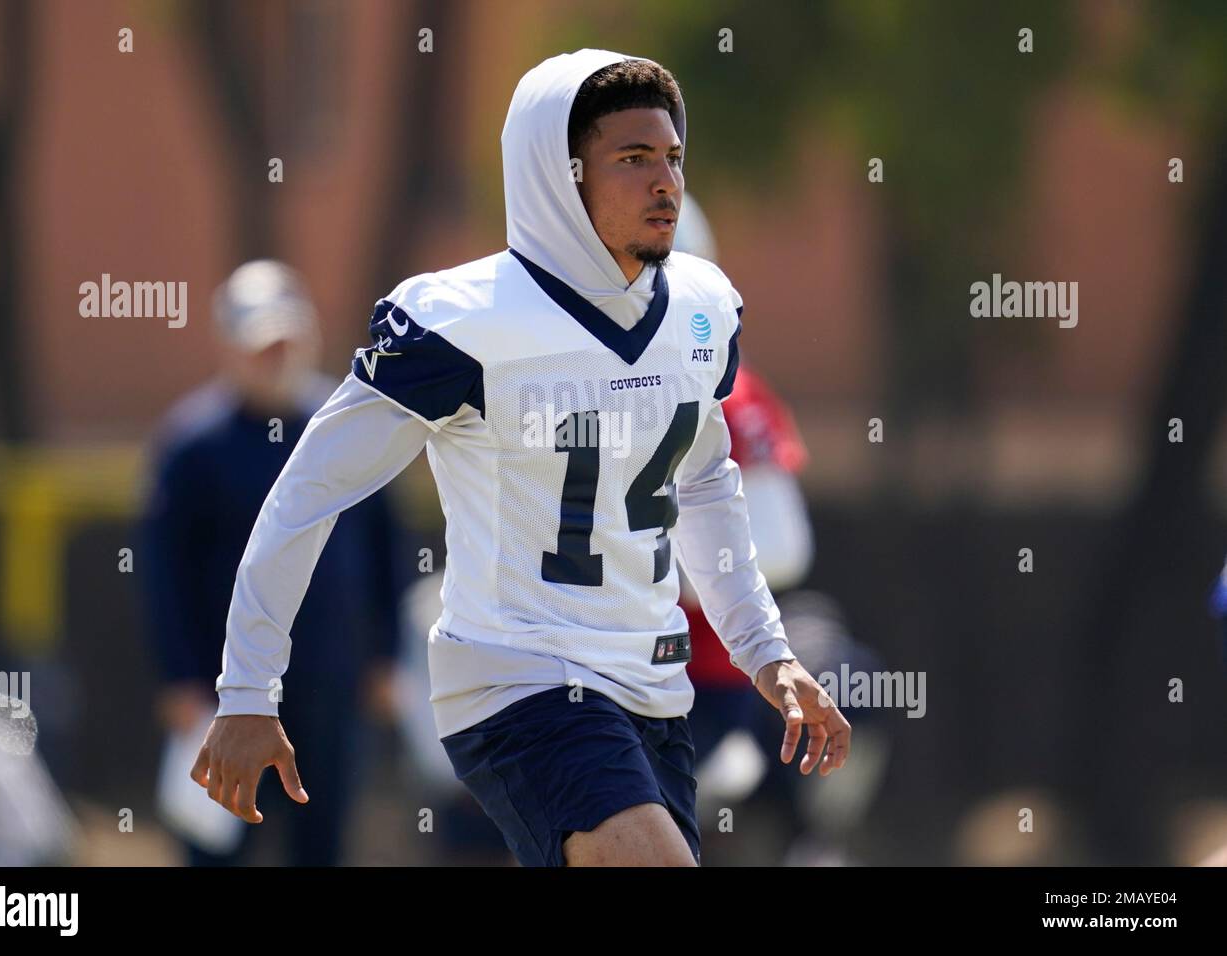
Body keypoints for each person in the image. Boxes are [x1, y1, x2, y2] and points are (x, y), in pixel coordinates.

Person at [194, 50, 851, 867]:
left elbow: (706, 481)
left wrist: (768, 653)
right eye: (634, 158)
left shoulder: (700, 307)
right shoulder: (465, 322)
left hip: (653, 691)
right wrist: (249, 689)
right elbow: (308, 493)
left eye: (673, 157)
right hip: (520, 684)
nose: (666, 183)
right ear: (559, 174)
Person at [141, 260, 401, 866]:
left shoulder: (344, 428)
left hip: (329, 682)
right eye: (261, 344)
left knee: (322, 844)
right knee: (216, 847)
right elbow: (163, 575)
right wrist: (179, 680)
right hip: (223, 694)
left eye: (286, 340)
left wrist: (385, 656)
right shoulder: (191, 448)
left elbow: (385, 545)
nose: (275, 356)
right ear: (229, 347)